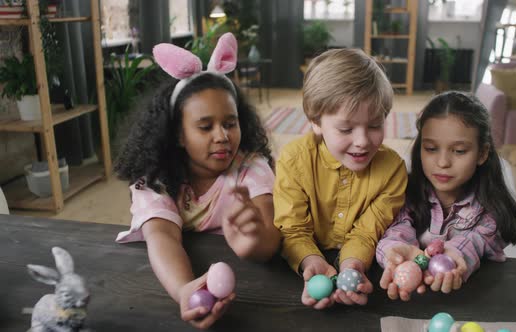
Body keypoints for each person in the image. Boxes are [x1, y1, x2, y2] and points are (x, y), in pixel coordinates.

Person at [114, 33, 280, 329]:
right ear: (178, 134)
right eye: (205, 127)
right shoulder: (156, 178)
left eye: (230, 123)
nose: (222, 136)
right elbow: (162, 236)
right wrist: (182, 289)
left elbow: (268, 238)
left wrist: (254, 240)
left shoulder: (250, 168)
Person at [273, 48, 408, 310]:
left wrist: (353, 265)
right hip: (299, 264)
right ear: (316, 122)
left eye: (375, 125)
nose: (362, 141)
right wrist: (311, 261)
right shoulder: (293, 160)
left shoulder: (392, 170)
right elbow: (292, 229)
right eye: (346, 129)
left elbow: (368, 233)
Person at [376, 91, 516, 301]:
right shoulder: (404, 190)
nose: (443, 162)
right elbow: (396, 229)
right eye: (431, 148)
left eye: (459, 151)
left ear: (482, 153)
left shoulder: (491, 209)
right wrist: (394, 253)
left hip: (473, 302)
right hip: (410, 301)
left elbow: (477, 240)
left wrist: (454, 255)